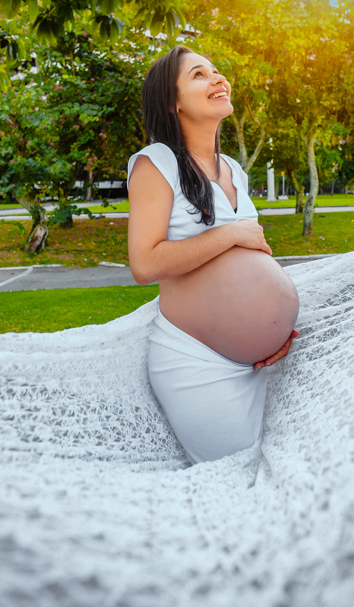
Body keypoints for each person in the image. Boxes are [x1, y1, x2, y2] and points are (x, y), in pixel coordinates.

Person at [128, 45, 299, 464]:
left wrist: (275, 330)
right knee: (238, 481)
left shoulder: (233, 169)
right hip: (198, 364)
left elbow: (253, 259)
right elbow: (145, 264)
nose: (218, 79)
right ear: (172, 101)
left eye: (217, 71)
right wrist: (231, 234)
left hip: (262, 364)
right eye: (199, 75)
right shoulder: (158, 162)